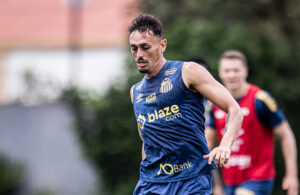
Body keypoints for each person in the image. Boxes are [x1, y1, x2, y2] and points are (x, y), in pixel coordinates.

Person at [129, 14, 243, 194]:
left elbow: (234, 109)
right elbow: (147, 140)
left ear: (163, 45)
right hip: (151, 183)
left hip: (191, 180)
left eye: (145, 47)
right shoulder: (136, 91)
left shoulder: (187, 71)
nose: (139, 55)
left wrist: (225, 145)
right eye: (134, 49)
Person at [206, 50, 299, 195]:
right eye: (227, 71)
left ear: (245, 71)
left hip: (259, 177)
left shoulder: (260, 100)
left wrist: (292, 176)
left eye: (236, 70)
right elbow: (207, 144)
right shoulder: (214, 105)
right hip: (229, 180)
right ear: (220, 73)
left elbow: (286, 134)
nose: (231, 75)